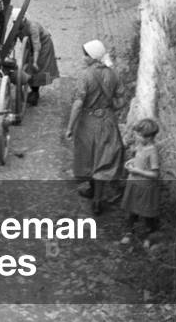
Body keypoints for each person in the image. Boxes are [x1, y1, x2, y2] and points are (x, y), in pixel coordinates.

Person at [65, 39, 125, 215]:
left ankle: (93, 193)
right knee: (103, 159)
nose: (83, 58)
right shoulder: (113, 74)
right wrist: (107, 108)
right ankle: (97, 198)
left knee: (89, 157)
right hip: (107, 121)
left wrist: (70, 127)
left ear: (92, 57)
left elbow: (77, 104)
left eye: (86, 55)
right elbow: (121, 101)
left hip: (88, 122)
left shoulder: (85, 76)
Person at [121, 118, 161, 243]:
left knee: (147, 212)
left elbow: (155, 174)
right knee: (131, 210)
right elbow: (139, 159)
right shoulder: (141, 146)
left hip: (145, 187)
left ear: (148, 137)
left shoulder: (152, 151)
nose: (136, 137)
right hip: (134, 183)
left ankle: (150, 236)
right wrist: (131, 162)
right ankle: (129, 232)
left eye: (138, 135)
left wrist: (137, 171)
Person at [15, 15, 59, 106]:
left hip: (43, 45)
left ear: (23, 20)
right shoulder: (17, 26)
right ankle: (33, 90)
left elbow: (36, 46)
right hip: (30, 46)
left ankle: (35, 93)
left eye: (17, 22)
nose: (15, 24)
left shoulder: (33, 27)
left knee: (39, 68)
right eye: (14, 22)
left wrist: (35, 61)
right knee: (29, 67)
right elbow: (13, 39)